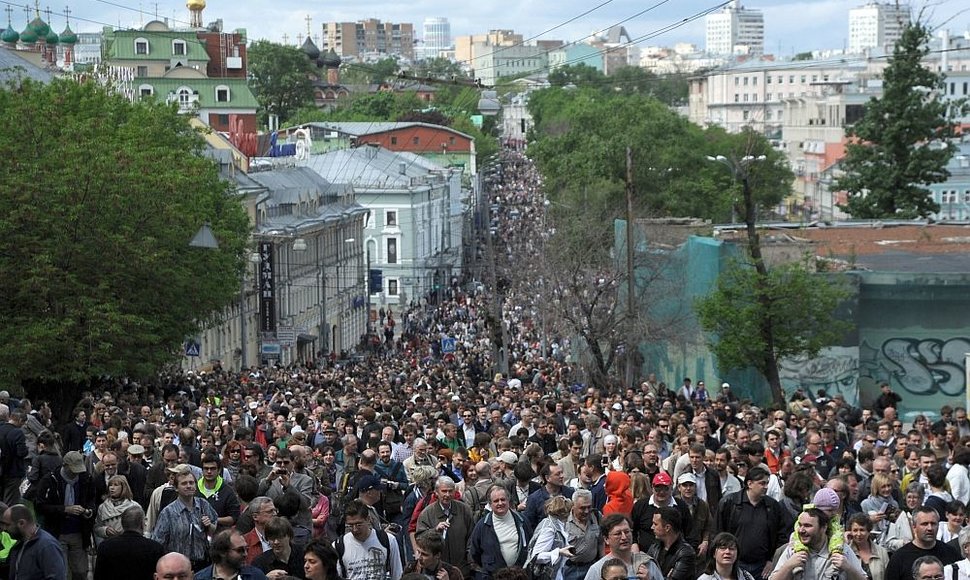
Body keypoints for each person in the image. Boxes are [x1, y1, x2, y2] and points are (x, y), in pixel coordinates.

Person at [716, 466, 791, 579]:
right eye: (762, 483)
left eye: (767, 483)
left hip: (762, 566)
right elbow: (719, 533)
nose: (766, 487)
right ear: (750, 483)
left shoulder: (772, 506)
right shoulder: (729, 503)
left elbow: (781, 535)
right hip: (735, 563)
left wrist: (771, 560)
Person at [33, 450, 96, 580]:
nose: (76, 473)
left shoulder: (86, 478)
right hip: (57, 532)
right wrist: (65, 509)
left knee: (81, 572)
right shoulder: (49, 480)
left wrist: (88, 511)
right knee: (62, 572)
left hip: (79, 533)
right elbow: (40, 506)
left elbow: (92, 500)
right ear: (65, 465)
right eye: (73, 470)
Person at [151, 465, 219, 571]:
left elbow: (215, 532)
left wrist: (210, 526)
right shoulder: (168, 512)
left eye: (191, 483)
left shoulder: (203, 505)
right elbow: (158, 542)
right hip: (177, 567)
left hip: (202, 565)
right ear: (176, 488)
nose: (188, 486)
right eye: (184, 483)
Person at [772, 508, 866, 580]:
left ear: (824, 528)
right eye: (800, 525)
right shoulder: (793, 550)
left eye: (807, 526)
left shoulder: (842, 550)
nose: (801, 530)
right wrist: (788, 566)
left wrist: (848, 567)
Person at [416, 476, 475, 578]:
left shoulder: (464, 510)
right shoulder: (427, 513)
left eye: (450, 491)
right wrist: (434, 530)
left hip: (462, 568)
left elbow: (472, 537)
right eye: (444, 491)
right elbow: (420, 539)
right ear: (436, 492)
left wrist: (469, 560)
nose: (447, 495)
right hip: (437, 571)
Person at [470, 485, 532, 580]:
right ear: (490, 504)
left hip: (520, 576)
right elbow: (475, 552)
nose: (500, 503)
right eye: (496, 501)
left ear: (508, 501)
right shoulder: (482, 526)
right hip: (493, 576)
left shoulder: (522, 521)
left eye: (503, 499)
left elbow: (531, 545)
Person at [884, 507, 960, 580]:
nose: (929, 528)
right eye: (924, 524)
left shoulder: (951, 553)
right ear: (914, 526)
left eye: (933, 524)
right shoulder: (899, 558)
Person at [336, 499, 403, 580]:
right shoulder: (339, 545)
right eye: (350, 525)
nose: (355, 529)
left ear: (368, 519)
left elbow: (397, 574)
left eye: (359, 524)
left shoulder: (388, 540)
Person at [94, 505, 165, 580]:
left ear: (122, 524)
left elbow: (98, 576)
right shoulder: (155, 548)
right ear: (142, 524)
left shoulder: (105, 547)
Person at [583, 513, 662, 580]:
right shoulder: (597, 570)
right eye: (618, 534)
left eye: (627, 532)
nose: (624, 537)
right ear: (606, 539)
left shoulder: (647, 564)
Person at [2, 503, 68, 580]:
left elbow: (57, 577)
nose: (4, 529)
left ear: (21, 523)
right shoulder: (20, 543)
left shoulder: (47, 546)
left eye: (7, 525)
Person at [525, 496, 574, 580]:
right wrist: (559, 552)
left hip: (557, 573)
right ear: (563, 512)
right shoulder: (549, 528)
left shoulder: (558, 524)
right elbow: (537, 556)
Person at [194, 528, 269, 580]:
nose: (245, 554)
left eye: (246, 549)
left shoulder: (256, 576)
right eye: (240, 550)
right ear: (222, 552)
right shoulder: (200, 578)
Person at [646, 506, 695, 580]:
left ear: (667, 528)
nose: (652, 527)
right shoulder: (654, 547)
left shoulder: (686, 553)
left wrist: (651, 577)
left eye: (655, 524)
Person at [563, 489, 601, 580]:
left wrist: (601, 562)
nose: (587, 511)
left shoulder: (596, 516)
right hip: (571, 570)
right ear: (573, 506)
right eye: (582, 508)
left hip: (592, 567)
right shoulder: (564, 520)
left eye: (589, 507)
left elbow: (601, 541)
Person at [93, 474, 140, 545]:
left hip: (129, 544)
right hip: (110, 544)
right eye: (110, 485)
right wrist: (105, 530)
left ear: (123, 487)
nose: (112, 488)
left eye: (116, 485)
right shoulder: (103, 507)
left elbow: (142, 527)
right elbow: (97, 527)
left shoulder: (134, 506)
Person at [847, 512, 890, 580]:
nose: (858, 534)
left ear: (869, 531)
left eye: (862, 530)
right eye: (855, 530)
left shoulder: (882, 552)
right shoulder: (847, 552)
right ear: (850, 532)